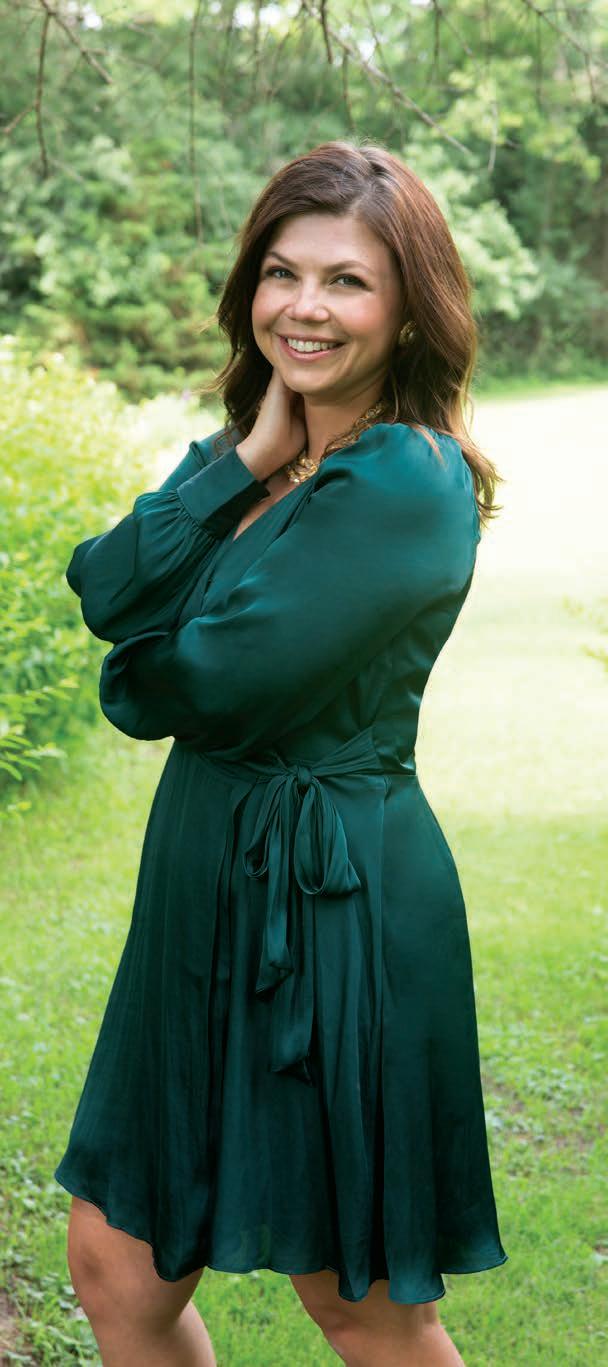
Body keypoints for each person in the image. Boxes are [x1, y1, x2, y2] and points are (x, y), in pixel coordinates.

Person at [54, 139, 508, 1366]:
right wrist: (248, 458)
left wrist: (142, 664)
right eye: (281, 272)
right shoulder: (254, 454)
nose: (303, 307)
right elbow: (106, 586)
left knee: (358, 1300)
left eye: (346, 281)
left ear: (408, 309)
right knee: (116, 1264)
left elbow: (194, 683)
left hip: (330, 903)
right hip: (204, 876)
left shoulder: (407, 479)